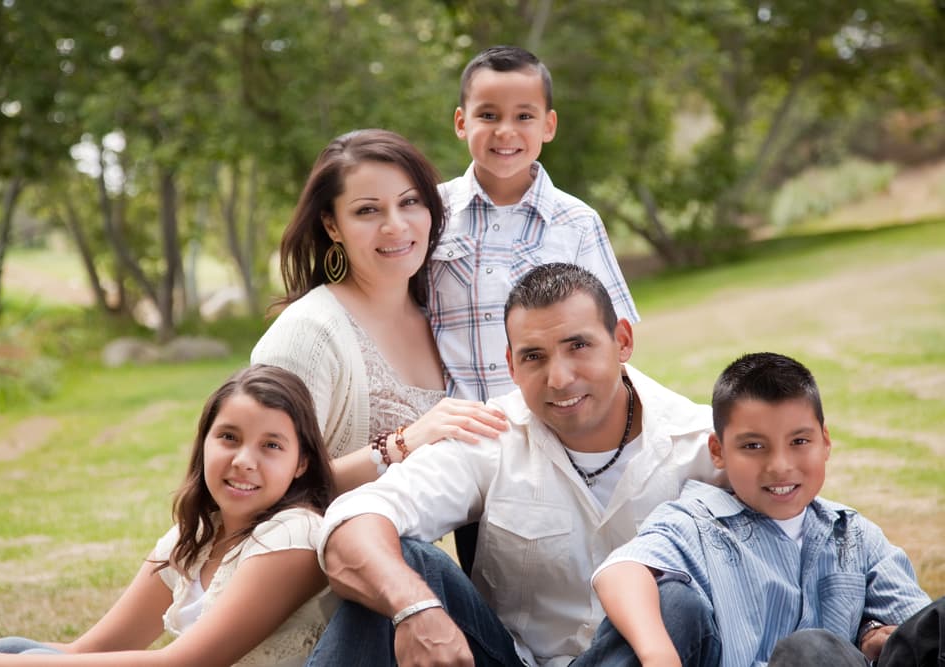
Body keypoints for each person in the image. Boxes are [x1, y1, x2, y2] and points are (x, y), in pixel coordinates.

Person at [305, 263, 723, 667]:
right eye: (534, 357)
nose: (558, 378)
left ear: (623, 341)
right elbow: (354, 520)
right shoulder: (492, 437)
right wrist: (413, 607)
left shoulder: (704, 442)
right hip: (511, 659)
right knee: (399, 568)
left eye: (578, 346)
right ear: (510, 364)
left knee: (674, 602)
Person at [0, 365, 338, 667]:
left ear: (301, 462)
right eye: (228, 437)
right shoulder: (195, 539)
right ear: (204, 442)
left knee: (22, 660)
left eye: (271, 445)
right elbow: (90, 649)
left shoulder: (294, 534)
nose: (243, 461)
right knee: (12, 649)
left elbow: (183, 663)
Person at [591, 351, 941, 667]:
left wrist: (875, 632)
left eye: (799, 441)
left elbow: (918, 630)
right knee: (670, 602)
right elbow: (622, 571)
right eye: (754, 445)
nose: (779, 465)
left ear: (826, 442)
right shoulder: (698, 522)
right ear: (718, 451)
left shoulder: (854, 535)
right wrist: (658, 654)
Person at [251, 129, 507, 494]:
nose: (396, 226)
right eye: (367, 210)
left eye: (410, 202)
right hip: (321, 544)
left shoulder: (441, 315)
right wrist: (403, 443)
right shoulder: (308, 333)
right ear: (332, 226)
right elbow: (265, 481)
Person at [430, 45, 639, 403]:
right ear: (462, 123)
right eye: (489, 115)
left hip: (550, 425)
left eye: (524, 116)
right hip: (455, 431)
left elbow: (611, 339)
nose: (505, 131)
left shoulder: (577, 223)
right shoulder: (431, 213)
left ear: (548, 125)